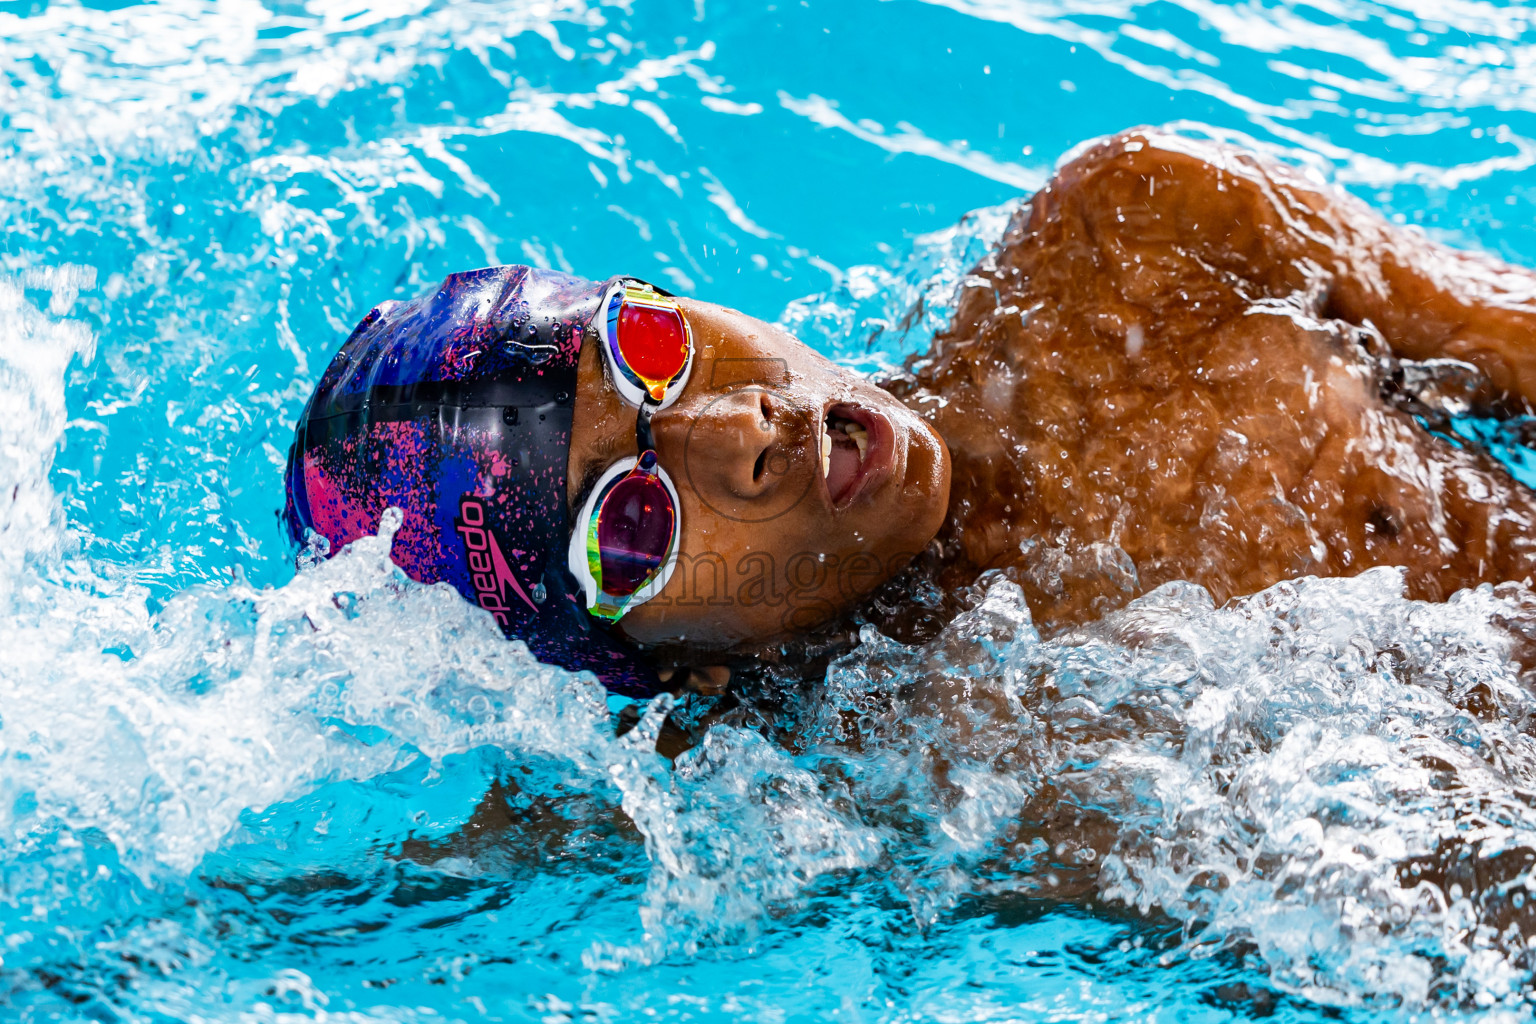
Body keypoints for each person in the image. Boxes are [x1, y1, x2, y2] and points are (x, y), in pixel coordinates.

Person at [285, 127, 1536, 698]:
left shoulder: (1147, 247)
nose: (743, 434)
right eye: (634, 529)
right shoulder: (932, 771)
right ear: (696, 668)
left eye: (649, 347)